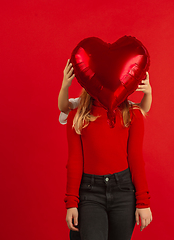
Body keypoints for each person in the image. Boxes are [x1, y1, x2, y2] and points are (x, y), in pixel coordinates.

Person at [60, 60, 153, 240]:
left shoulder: (132, 114)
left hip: (123, 191)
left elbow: (135, 159)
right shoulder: (77, 116)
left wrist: (143, 202)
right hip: (89, 192)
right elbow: (75, 161)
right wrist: (71, 203)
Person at [58, 59, 152, 125]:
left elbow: (142, 108)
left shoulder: (121, 106)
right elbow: (64, 107)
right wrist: (65, 86)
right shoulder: (83, 105)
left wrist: (148, 93)